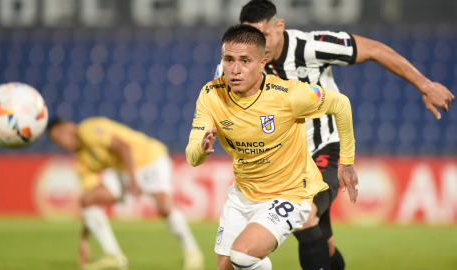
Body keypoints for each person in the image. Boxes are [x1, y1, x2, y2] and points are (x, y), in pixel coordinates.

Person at [214, 1, 454, 269]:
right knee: (323, 243)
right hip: (283, 165)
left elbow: (374, 49)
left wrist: (426, 84)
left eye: (263, 36)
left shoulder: (311, 46)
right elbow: (222, 106)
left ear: (279, 26)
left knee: (307, 217)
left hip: (322, 150)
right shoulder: (239, 64)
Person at [187, 24, 358, 270]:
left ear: (262, 62)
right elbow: (192, 157)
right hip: (243, 194)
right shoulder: (211, 95)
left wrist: (347, 162)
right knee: (225, 267)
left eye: (245, 60)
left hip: (288, 192)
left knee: (243, 256)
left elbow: (341, 104)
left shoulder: (288, 95)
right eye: (228, 59)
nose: (235, 70)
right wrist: (201, 150)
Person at [48, 117, 204, 270]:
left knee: (164, 209)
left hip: (150, 158)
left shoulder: (88, 130)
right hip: (124, 169)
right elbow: (89, 199)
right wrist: (83, 239)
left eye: (62, 132)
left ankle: (193, 252)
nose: (63, 140)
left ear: (70, 125)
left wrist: (133, 180)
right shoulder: (82, 161)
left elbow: (124, 147)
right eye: (57, 140)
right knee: (87, 200)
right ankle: (114, 256)